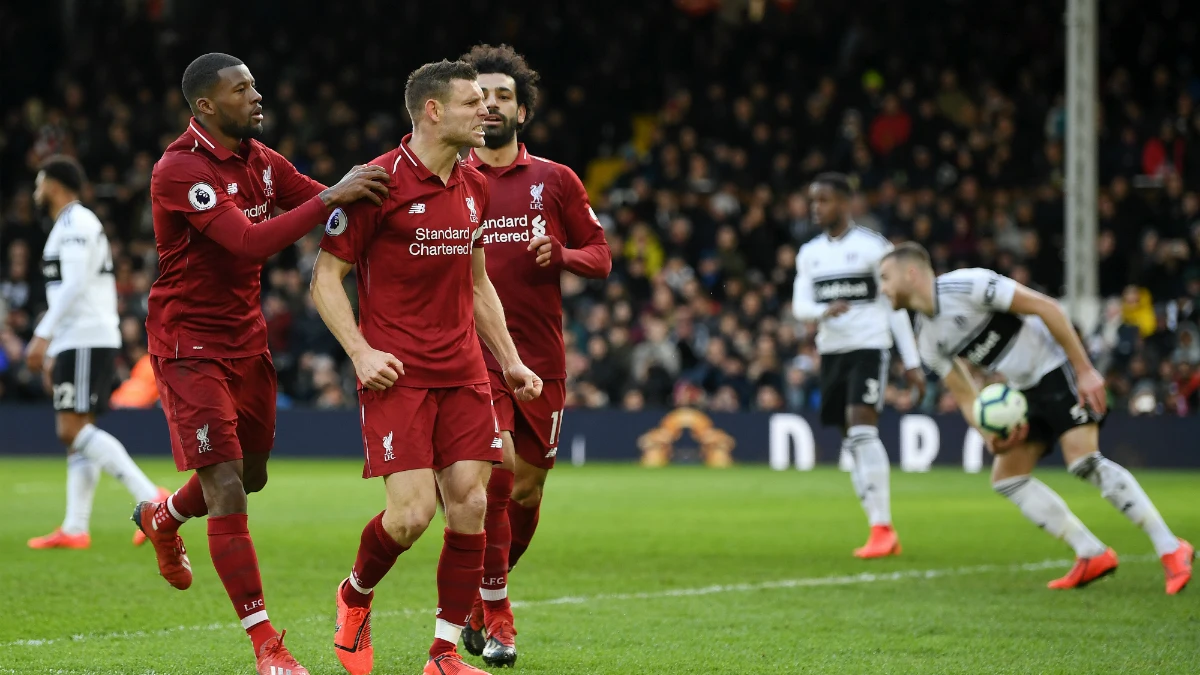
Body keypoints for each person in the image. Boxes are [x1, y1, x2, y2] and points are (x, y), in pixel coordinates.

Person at [131, 52, 389, 675]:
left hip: (246, 340)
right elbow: (249, 241)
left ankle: (162, 517)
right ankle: (267, 647)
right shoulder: (179, 170)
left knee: (249, 476)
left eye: (254, 85)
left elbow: (329, 207)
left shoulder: (260, 161)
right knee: (225, 488)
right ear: (205, 106)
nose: (256, 95)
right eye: (241, 88)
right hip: (189, 343)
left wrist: (403, 187)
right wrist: (332, 194)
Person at [312, 59, 542, 675]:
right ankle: (354, 595)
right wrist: (361, 352)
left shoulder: (475, 184)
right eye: (473, 103)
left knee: (470, 502)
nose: (486, 112)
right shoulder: (376, 183)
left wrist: (511, 361)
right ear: (434, 111)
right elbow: (325, 280)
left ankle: (442, 654)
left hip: (464, 370)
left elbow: (477, 284)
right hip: (397, 374)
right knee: (412, 516)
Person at [878, 242, 1194, 594]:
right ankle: (1091, 553)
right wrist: (989, 436)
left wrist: (1085, 369)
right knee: (1006, 478)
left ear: (911, 273)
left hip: (1056, 366)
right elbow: (965, 394)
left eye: (886, 278)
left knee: (1083, 462)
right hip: (1023, 390)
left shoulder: (968, 285)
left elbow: (1047, 307)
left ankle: (1170, 547)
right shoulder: (927, 340)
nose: (883, 287)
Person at [458, 44, 612, 666]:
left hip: (541, 358)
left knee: (526, 490)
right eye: (480, 96)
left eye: (501, 96)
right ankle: (499, 616)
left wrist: (563, 254)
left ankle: (481, 595)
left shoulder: (556, 180)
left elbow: (600, 256)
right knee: (494, 477)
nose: (489, 104)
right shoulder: (449, 177)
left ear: (522, 110)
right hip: (470, 355)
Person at [24, 155, 169, 550]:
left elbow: (72, 286)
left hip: (85, 335)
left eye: (40, 183)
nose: (37, 192)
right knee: (78, 432)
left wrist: (42, 336)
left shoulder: (75, 223)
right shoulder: (72, 224)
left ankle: (152, 499)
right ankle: (74, 527)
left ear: (54, 184)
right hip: (80, 337)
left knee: (69, 429)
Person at [791, 173, 925, 559]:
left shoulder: (873, 248)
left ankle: (882, 527)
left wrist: (911, 361)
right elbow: (800, 306)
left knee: (862, 428)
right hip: (832, 352)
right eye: (813, 201)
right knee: (851, 437)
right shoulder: (809, 253)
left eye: (825, 201)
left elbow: (894, 304)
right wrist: (823, 310)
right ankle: (878, 527)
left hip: (869, 346)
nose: (817, 208)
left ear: (846, 203)